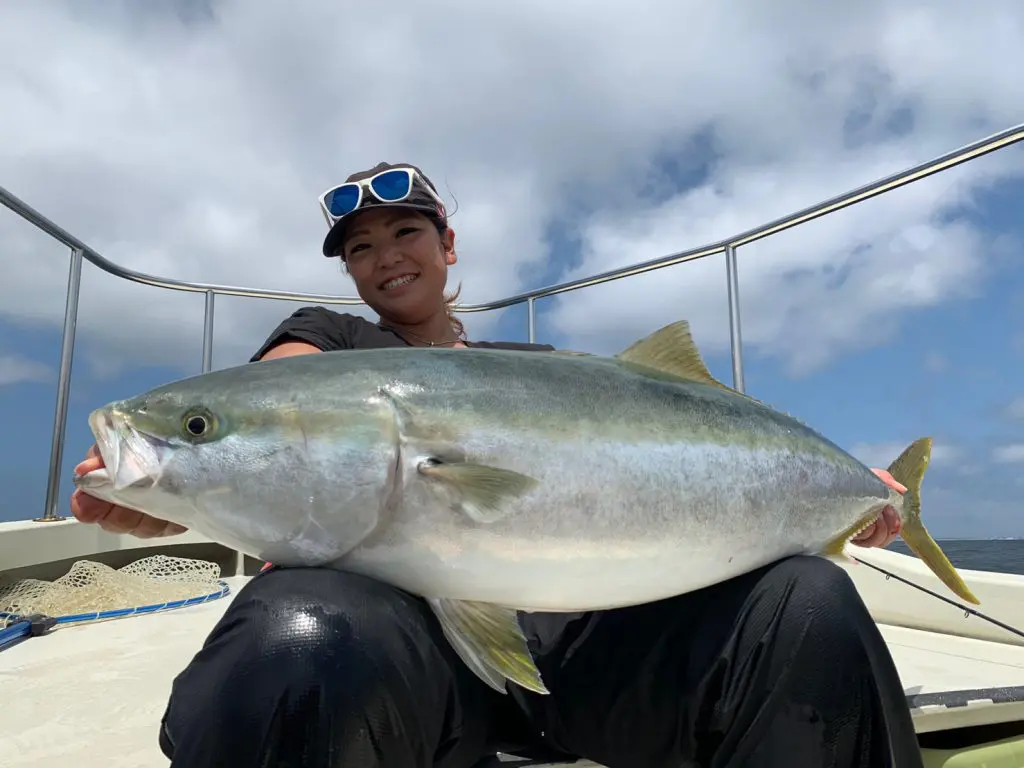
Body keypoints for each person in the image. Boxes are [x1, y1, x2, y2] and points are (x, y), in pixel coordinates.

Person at [71, 162, 921, 768]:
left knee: (810, 601)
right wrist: (187, 481)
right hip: (399, 657)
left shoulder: (540, 366)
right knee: (298, 631)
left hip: (576, 653)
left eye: (405, 232)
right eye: (360, 249)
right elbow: (277, 404)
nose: (385, 257)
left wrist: (848, 499)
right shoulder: (330, 342)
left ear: (447, 244)